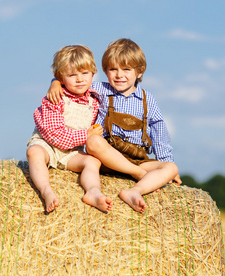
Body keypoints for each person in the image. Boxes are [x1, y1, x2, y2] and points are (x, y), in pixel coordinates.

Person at [47, 38, 181, 213]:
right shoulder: (100, 89)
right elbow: (73, 83)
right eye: (113, 69)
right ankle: (137, 174)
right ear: (105, 71)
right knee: (93, 141)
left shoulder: (148, 100)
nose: (119, 75)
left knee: (171, 168)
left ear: (140, 72)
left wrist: (166, 162)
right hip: (107, 157)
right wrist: (55, 83)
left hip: (137, 158)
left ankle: (134, 191)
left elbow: (159, 133)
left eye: (126, 69)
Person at [26, 45, 113, 213]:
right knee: (34, 153)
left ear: (93, 73)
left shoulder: (94, 101)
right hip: (48, 146)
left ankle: (93, 191)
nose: (80, 79)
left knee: (92, 161)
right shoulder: (55, 97)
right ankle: (46, 191)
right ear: (61, 78)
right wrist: (87, 135)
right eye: (72, 75)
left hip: (72, 152)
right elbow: (54, 136)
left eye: (85, 73)